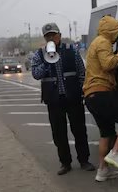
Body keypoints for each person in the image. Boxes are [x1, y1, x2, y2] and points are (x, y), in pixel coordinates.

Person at [31, 22, 95, 175]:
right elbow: (36, 74)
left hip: (73, 98)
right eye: (48, 36)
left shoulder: (71, 50)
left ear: (59, 35)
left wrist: (81, 91)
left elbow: (81, 71)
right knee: (58, 133)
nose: (51, 38)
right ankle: (65, 163)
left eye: (53, 35)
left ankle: (84, 160)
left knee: (79, 130)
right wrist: (47, 61)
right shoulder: (39, 54)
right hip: (53, 101)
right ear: (45, 38)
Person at [83, 16, 118, 182]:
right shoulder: (103, 42)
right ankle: (116, 153)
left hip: (92, 96)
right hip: (101, 93)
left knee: (106, 133)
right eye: (117, 30)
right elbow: (108, 64)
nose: (117, 33)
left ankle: (102, 171)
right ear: (111, 30)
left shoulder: (96, 42)